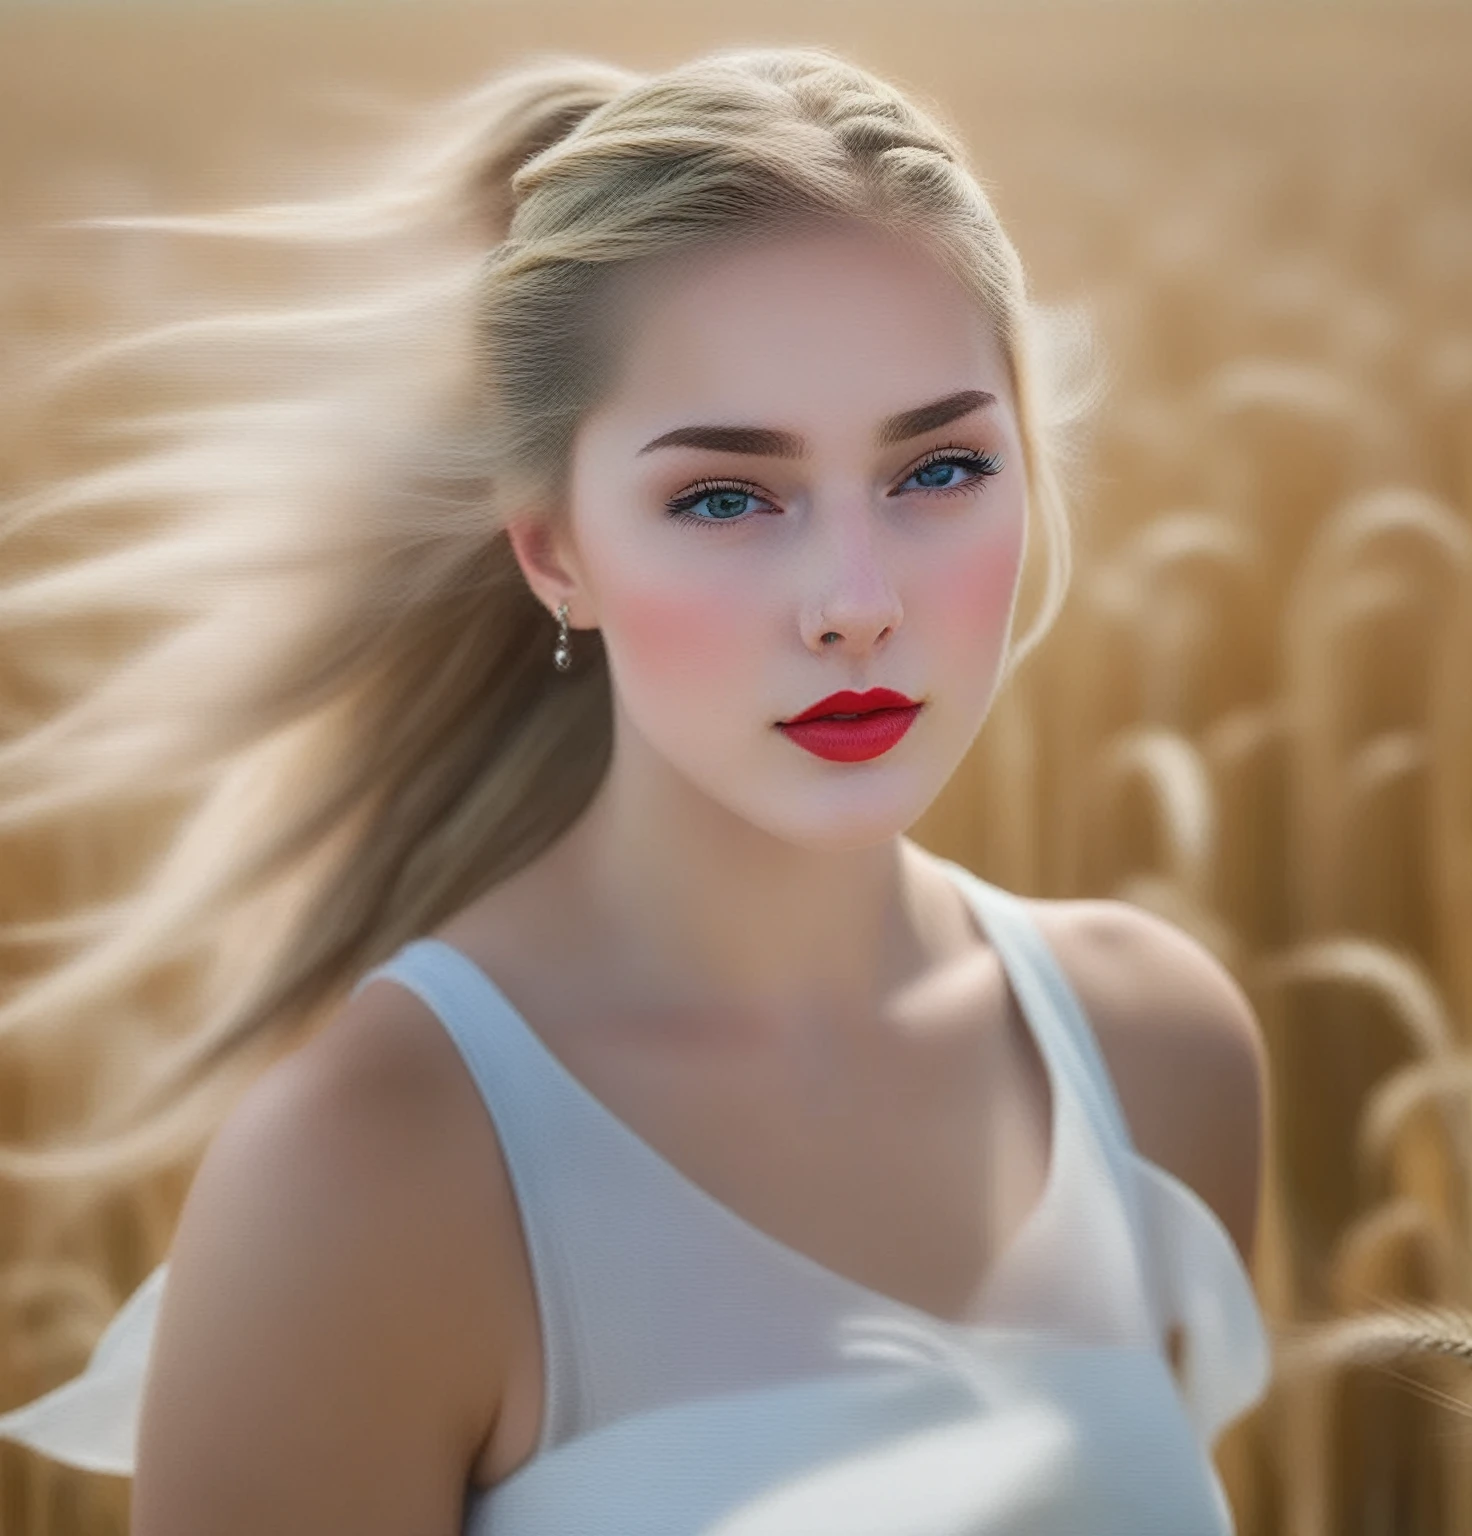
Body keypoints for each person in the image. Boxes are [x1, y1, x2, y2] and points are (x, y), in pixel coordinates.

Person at [0, 45, 1271, 1535]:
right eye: (727, 496)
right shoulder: (373, 1179)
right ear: (553, 549)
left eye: (938, 471)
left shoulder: (1157, 1055)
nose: (856, 604)